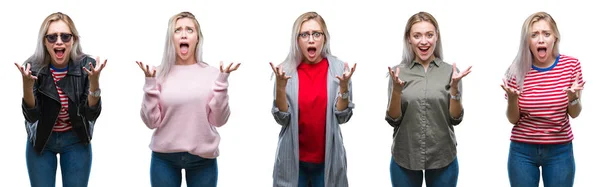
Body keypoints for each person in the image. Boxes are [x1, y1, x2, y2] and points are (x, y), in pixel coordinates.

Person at [137, 11, 240, 187]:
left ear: (197, 38)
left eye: (189, 30)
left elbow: (219, 120)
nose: (184, 34)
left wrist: (222, 82)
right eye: (178, 30)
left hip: (203, 159)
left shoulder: (213, 74)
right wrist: (149, 84)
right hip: (164, 159)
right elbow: (151, 122)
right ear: (171, 38)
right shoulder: (157, 73)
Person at [16, 12, 106, 187]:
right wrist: (27, 86)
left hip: (76, 140)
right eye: (52, 37)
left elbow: (91, 113)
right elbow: (32, 117)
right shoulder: (32, 67)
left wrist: (94, 83)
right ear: (44, 41)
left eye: (65, 36)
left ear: (73, 40)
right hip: (41, 141)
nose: (59, 41)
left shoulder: (87, 66)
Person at [269, 11, 356, 187]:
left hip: (328, 162)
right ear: (297, 39)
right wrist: (280, 87)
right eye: (305, 34)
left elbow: (342, 117)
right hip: (293, 162)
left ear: (324, 38)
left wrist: (344, 87)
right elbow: (282, 118)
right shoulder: (285, 70)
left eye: (316, 34)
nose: (311, 39)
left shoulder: (338, 68)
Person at [385, 11, 472, 187]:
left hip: (443, 157)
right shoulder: (398, 72)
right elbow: (393, 119)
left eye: (429, 35)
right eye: (417, 35)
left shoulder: (450, 72)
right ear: (409, 39)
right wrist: (396, 91)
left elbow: (455, 119)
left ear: (436, 37)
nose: (424, 41)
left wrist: (454, 89)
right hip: (405, 156)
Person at [501, 12, 585, 187]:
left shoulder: (571, 66)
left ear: (555, 38)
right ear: (527, 41)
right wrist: (512, 100)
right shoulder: (515, 69)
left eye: (546, 34)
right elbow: (513, 119)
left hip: (560, 151)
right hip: (522, 152)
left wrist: (573, 99)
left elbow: (575, 114)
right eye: (534, 35)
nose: (541, 40)